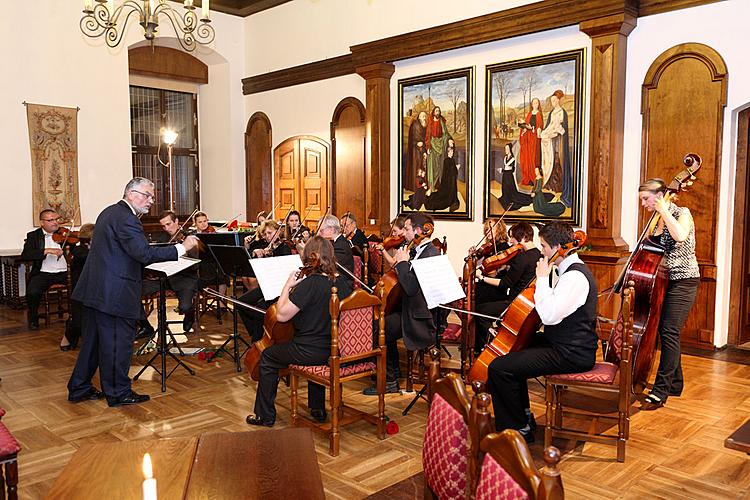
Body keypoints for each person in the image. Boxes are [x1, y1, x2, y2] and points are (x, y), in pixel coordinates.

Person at [67, 177, 200, 407]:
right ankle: (119, 393)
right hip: (114, 294)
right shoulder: (127, 219)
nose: (151, 200)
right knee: (118, 345)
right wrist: (182, 247)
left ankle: (79, 387)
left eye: (152, 196)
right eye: (147, 195)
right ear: (131, 193)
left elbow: (125, 251)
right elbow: (144, 254)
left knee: (93, 343)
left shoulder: (109, 213)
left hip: (94, 291)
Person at [485, 222, 597, 443]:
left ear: (558, 247)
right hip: (561, 342)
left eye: (544, 246)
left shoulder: (575, 277)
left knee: (499, 368)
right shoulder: (566, 271)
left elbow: (549, 316)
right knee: (514, 349)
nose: (542, 251)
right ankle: (523, 418)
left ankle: (515, 432)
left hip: (572, 352)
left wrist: (543, 279)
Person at [245, 235, 353, 426]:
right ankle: (317, 408)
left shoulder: (309, 284)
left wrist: (288, 285)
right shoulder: (344, 283)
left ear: (309, 258)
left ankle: (265, 415)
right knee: (308, 344)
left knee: (269, 356)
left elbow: (282, 315)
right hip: (336, 350)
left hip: (309, 351)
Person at [363, 213, 443, 395]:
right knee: (379, 323)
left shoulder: (430, 254)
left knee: (380, 327)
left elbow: (411, 288)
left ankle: (389, 379)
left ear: (418, 231)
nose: (404, 233)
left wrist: (402, 264)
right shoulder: (418, 251)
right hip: (409, 309)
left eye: (407, 229)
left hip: (418, 316)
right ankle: (392, 371)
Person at [638, 178, 700, 410]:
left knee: (669, 331)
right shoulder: (654, 221)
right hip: (663, 281)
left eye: (646, 199)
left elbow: (680, 235)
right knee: (667, 333)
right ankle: (675, 384)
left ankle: (661, 391)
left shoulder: (682, 213)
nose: (643, 204)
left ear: (660, 195)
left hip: (684, 280)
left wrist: (664, 209)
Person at [473, 222, 541, 355]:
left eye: (512, 238)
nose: (510, 241)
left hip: (512, 303)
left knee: (479, 311)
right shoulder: (538, 254)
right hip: (526, 302)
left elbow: (505, 283)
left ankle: (488, 345)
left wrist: (482, 278)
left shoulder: (522, 258)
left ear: (522, 238)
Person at [141, 210, 199, 333]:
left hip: (184, 278)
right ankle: (145, 326)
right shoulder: (162, 238)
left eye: (169, 224)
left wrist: (185, 249)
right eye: (163, 226)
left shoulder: (189, 237)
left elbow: (195, 264)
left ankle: (190, 315)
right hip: (164, 277)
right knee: (134, 292)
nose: (166, 228)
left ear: (176, 221)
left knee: (185, 307)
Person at [238, 219, 293, 342]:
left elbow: (282, 272)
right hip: (266, 287)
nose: (267, 236)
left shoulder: (285, 248)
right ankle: (256, 334)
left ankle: (257, 339)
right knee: (241, 303)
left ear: (278, 232)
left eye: (270, 233)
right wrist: (255, 252)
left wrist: (269, 256)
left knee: (259, 307)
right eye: (265, 234)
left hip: (280, 289)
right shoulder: (266, 247)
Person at [21, 209, 69, 330]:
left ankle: (77, 317)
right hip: (43, 273)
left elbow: (77, 252)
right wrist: (46, 250)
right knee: (32, 292)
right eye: (50, 220)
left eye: (56, 219)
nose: (55, 222)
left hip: (65, 273)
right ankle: (33, 318)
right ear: (42, 222)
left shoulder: (65, 234)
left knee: (81, 284)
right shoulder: (33, 236)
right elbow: (26, 255)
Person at [60, 222, 95, 351]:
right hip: (80, 291)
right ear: (89, 240)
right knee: (79, 320)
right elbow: (88, 257)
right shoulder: (79, 251)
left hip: (94, 289)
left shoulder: (93, 249)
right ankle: (67, 337)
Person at [539, 90, 572, 207]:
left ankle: (559, 187)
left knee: (558, 161)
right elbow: (549, 126)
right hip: (551, 140)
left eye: (554, 100)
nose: (553, 102)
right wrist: (544, 133)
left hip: (559, 141)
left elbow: (562, 129)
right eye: (551, 100)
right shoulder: (552, 113)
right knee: (551, 162)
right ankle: (551, 185)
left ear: (558, 100)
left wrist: (558, 130)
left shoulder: (562, 112)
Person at [425, 106, 454, 191]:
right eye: (436, 111)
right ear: (433, 112)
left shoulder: (441, 121)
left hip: (441, 145)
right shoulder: (430, 123)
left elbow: (445, 133)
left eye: (439, 111)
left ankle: (440, 185)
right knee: (432, 167)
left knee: (440, 167)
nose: (438, 112)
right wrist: (428, 147)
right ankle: (431, 186)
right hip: (433, 145)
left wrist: (449, 140)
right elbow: (427, 136)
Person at [425, 144, 460, 211]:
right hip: (448, 180)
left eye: (452, 152)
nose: (452, 153)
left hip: (451, 179)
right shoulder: (447, 160)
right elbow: (449, 171)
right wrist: (456, 168)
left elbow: (452, 170)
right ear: (448, 153)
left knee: (452, 191)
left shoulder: (452, 160)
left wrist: (455, 168)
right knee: (445, 196)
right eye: (450, 152)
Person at [518, 97, 544, 187]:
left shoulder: (539, 114)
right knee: (527, 157)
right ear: (532, 104)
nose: (535, 104)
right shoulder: (529, 114)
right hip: (528, 138)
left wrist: (535, 129)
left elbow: (540, 126)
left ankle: (534, 178)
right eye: (533, 103)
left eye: (537, 103)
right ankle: (528, 177)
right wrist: (524, 128)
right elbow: (526, 124)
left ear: (538, 104)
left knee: (533, 157)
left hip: (534, 138)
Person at [498, 143, 533, 211]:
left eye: (507, 149)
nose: (506, 150)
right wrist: (504, 170)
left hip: (509, 176)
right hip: (505, 176)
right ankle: (506, 198)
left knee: (510, 189)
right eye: (505, 149)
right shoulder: (505, 158)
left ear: (510, 149)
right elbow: (506, 167)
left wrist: (503, 170)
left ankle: (509, 200)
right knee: (504, 188)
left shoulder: (512, 159)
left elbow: (512, 170)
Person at [405, 111, 428, 193]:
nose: (424, 118)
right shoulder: (415, 125)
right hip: (416, 151)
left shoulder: (425, 125)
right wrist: (417, 142)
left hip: (423, 149)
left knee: (423, 166)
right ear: (419, 117)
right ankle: (415, 186)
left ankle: (422, 185)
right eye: (422, 116)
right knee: (417, 166)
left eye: (425, 116)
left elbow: (426, 138)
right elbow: (413, 137)